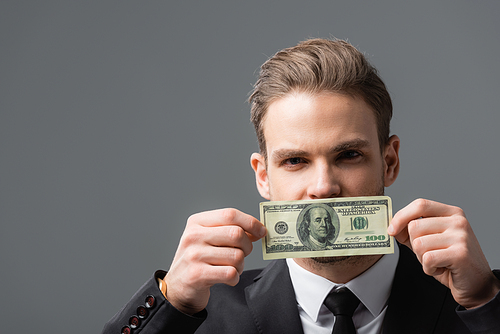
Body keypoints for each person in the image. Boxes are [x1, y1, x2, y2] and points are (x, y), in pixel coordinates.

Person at [102, 39, 500, 334]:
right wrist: (172, 303)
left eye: (348, 155)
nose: (323, 187)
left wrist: (487, 301)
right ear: (264, 176)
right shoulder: (203, 312)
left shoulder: (473, 302)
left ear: (390, 162)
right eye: (295, 161)